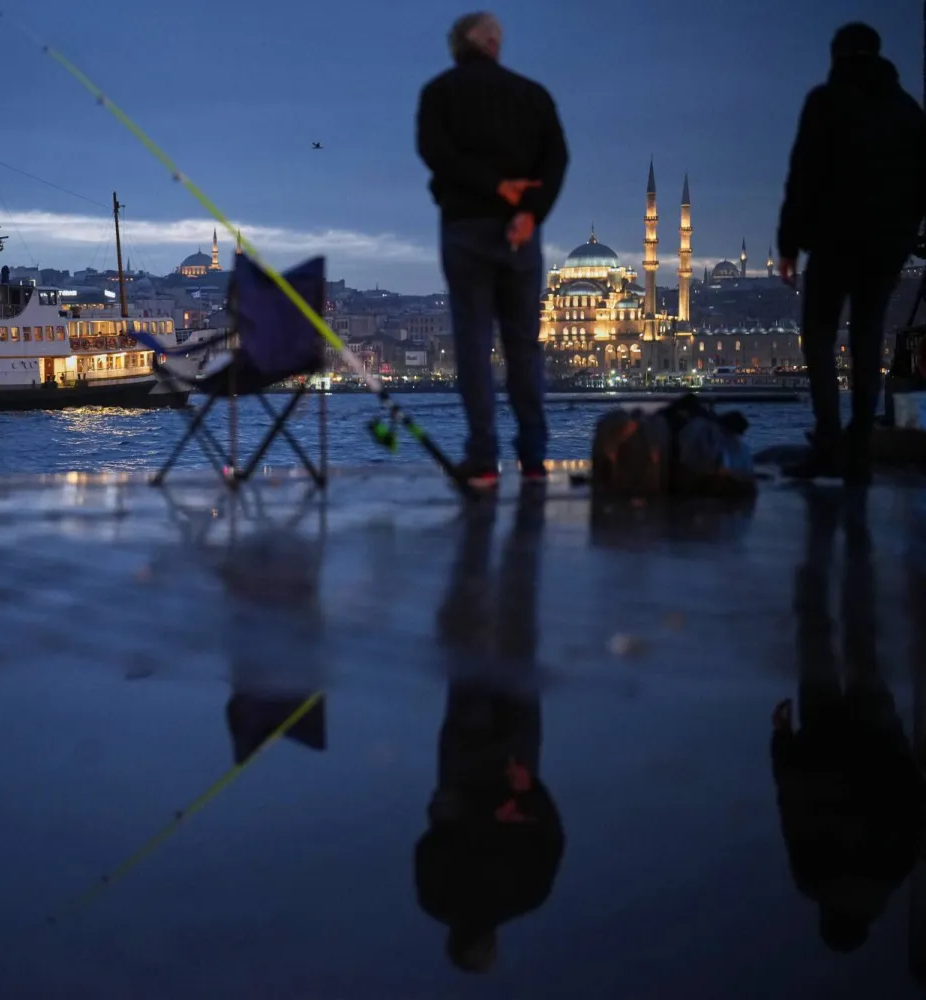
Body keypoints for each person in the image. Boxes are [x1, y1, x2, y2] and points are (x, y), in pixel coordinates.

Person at [416, 11, 569, 490]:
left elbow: (436, 154)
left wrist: (495, 187)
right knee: (523, 347)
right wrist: (530, 213)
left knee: (475, 346)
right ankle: (533, 458)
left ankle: (483, 461)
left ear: (461, 44)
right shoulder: (533, 95)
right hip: (520, 235)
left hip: (465, 230)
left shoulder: (440, 93)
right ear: (493, 43)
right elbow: (557, 158)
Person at [415, 493, 564, 973]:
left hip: (501, 769)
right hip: (479, 771)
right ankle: (492, 552)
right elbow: (432, 838)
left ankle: (503, 550)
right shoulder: (442, 899)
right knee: (488, 660)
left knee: (507, 655)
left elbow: (550, 836)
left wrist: (528, 797)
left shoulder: (523, 896)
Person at [770, 489, 924, 953]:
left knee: (863, 647)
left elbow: (914, 801)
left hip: (878, 738)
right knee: (815, 642)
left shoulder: (896, 869)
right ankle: (817, 554)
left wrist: (904, 750)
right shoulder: (813, 877)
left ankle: (857, 555)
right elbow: (794, 804)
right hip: (824, 743)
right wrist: (783, 742)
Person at [777, 22, 926, 483]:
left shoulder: (825, 102)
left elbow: (803, 174)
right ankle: (859, 449)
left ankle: (827, 441)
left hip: (834, 243)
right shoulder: (907, 110)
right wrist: (903, 241)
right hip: (885, 249)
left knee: (819, 337)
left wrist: (788, 244)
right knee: (866, 342)